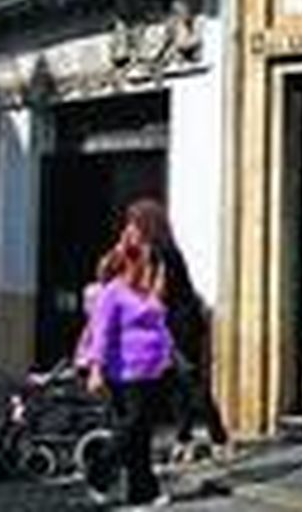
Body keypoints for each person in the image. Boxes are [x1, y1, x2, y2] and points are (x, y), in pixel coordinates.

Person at [122, 199, 230, 464]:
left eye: (134, 223)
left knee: (191, 381)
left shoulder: (164, 253)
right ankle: (185, 437)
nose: (130, 228)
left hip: (181, 326)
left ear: (147, 225)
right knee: (176, 384)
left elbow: (159, 294)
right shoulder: (151, 252)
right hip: (168, 324)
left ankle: (219, 438)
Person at [85, 215, 174, 508]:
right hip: (124, 372)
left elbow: (159, 326)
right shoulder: (113, 293)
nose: (147, 268)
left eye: (149, 263)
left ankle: (143, 492)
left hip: (151, 371)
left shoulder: (146, 293)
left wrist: (167, 355)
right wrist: (96, 369)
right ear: (128, 264)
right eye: (143, 263)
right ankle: (99, 471)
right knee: (132, 426)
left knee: (141, 434)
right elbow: (101, 332)